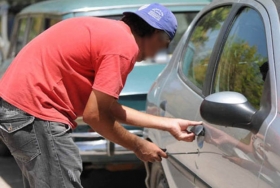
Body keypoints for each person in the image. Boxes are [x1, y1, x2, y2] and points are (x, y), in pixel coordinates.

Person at [0, 3, 201, 188]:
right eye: (165, 46)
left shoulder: (109, 33)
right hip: (35, 113)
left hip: (18, 109)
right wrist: (138, 145)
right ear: (159, 36)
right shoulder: (123, 48)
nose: (157, 54)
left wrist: (168, 124)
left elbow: (108, 108)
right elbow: (94, 116)